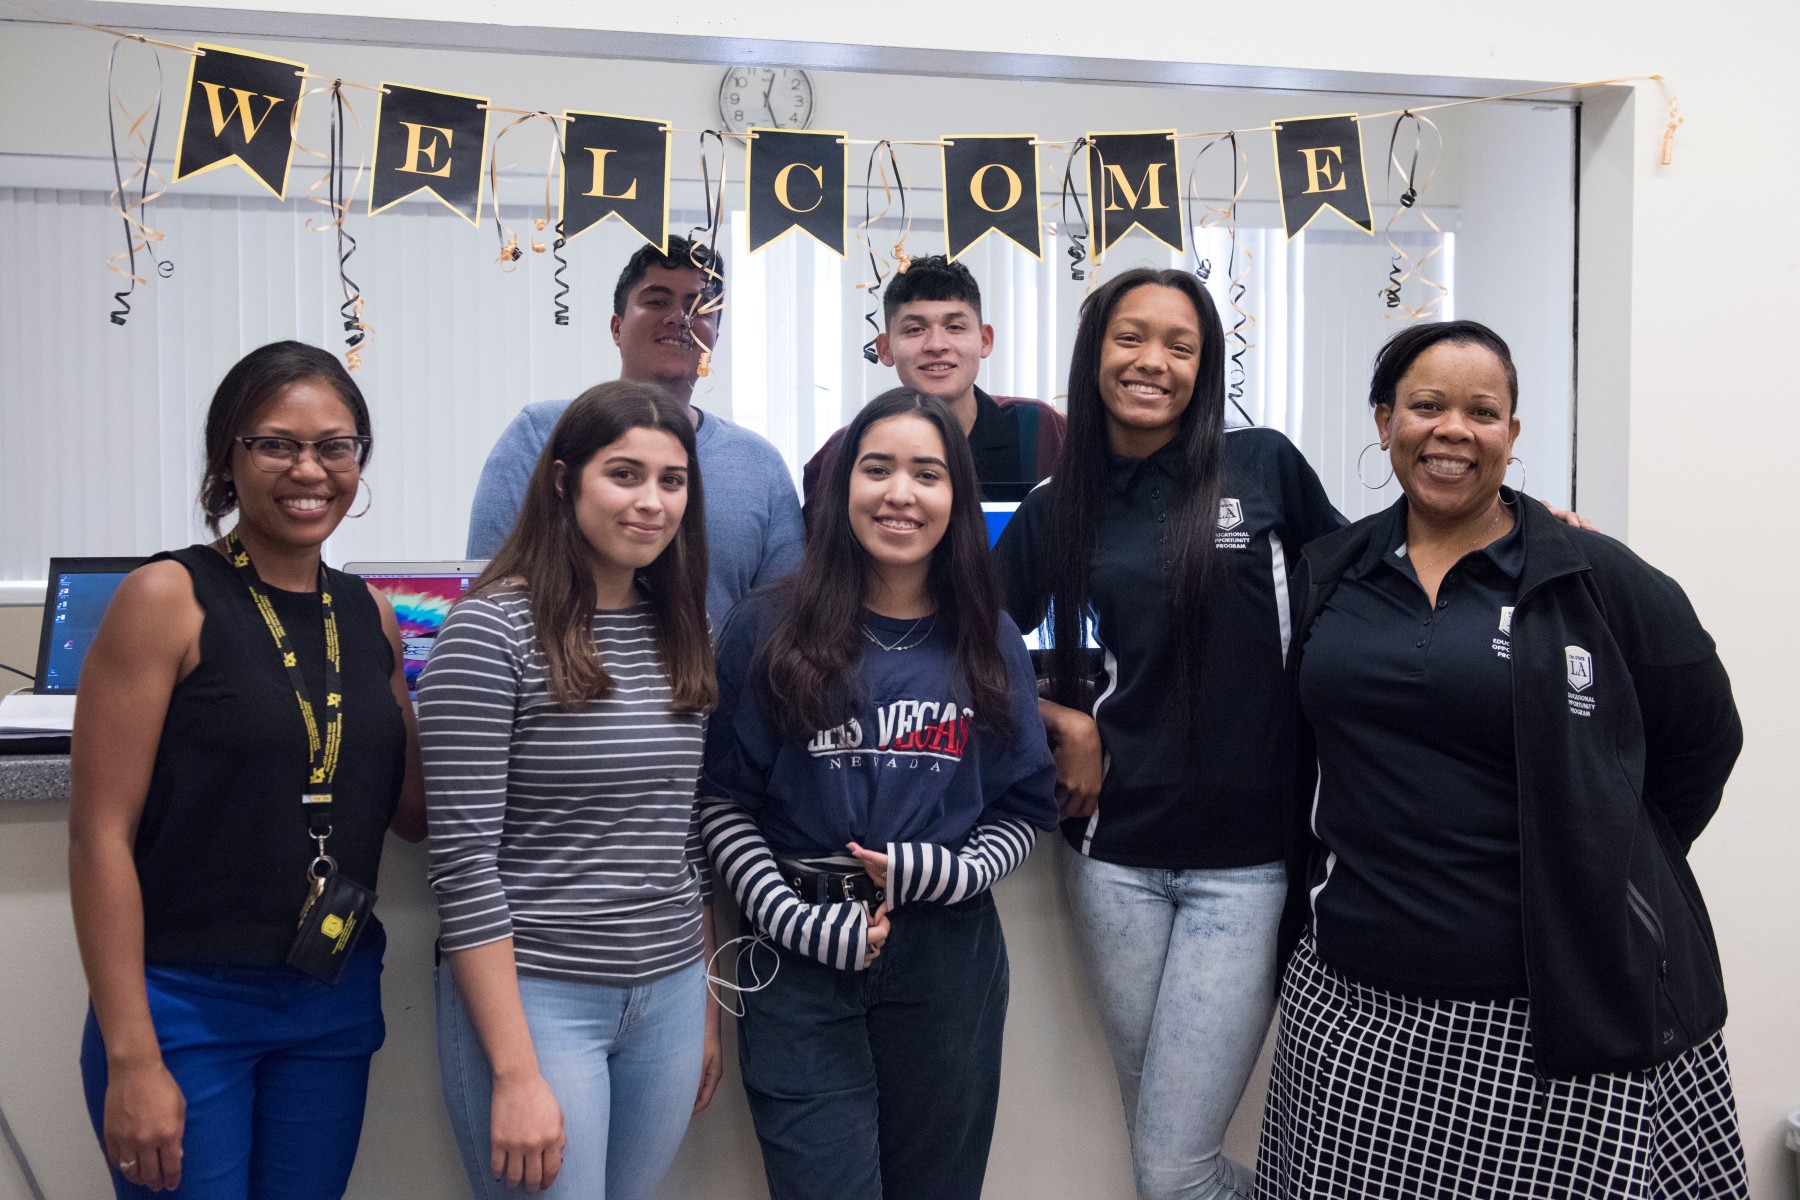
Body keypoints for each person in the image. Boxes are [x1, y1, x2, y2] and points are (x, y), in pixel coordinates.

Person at [1257, 320, 1747, 1199]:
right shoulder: (1334, 570)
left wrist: (1605, 860)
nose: (1453, 430)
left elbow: (1700, 740)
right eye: (1426, 406)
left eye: (1482, 412)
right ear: (1384, 423)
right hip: (1350, 1010)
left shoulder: (1592, 577)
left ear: (1512, 435)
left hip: (1546, 1015)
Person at [993, 269, 1343, 1200]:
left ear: (1204, 365)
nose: (1153, 362)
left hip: (1250, 866)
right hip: (1114, 863)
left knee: (1173, 1169)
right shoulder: (1054, 507)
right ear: (1094, 352)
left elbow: (1374, 580)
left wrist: (1516, 525)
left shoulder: (1262, 467)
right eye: (1131, 338)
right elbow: (959, 643)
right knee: (1160, 1149)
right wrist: (1056, 716)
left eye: (1179, 346)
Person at [69, 341, 425, 1199]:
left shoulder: (366, 610)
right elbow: (97, 836)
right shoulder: (167, 597)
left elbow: (413, 810)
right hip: (183, 1007)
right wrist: (132, 1054)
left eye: (335, 446)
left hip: (329, 995)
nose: (310, 470)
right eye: (277, 444)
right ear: (228, 456)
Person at [697, 389, 1058, 1199]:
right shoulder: (767, 626)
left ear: (958, 498)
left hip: (946, 956)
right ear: (841, 490)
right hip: (795, 953)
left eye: (927, 474)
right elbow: (721, 802)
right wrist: (793, 920)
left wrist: (942, 873)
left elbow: (1024, 805)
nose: (901, 493)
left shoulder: (988, 635)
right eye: (878, 469)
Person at [421, 382, 721, 1199]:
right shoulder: (490, 632)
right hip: (539, 1000)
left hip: (666, 995)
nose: (652, 503)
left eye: (672, 480)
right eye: (624, 475)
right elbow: (462, 868)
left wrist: (699, 1004)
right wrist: (515, 1074)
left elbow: (681, 836)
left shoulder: (679, 628)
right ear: (563, 481)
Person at [465, 237, 802, 626]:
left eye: (699, 308)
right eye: (657, 301)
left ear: (714, 338)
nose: (679, 318)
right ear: (617, 328)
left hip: (712, 684)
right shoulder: (540, 434)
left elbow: (783, 621)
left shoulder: (759, 463)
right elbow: (489, 585)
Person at [801, 255, 1067, 527]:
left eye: (955, 327)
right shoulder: (844, 450)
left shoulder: (1039, 429)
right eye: (915, 329)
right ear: (885, 348)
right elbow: (826, 561)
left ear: (985, 341)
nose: (937, 345)